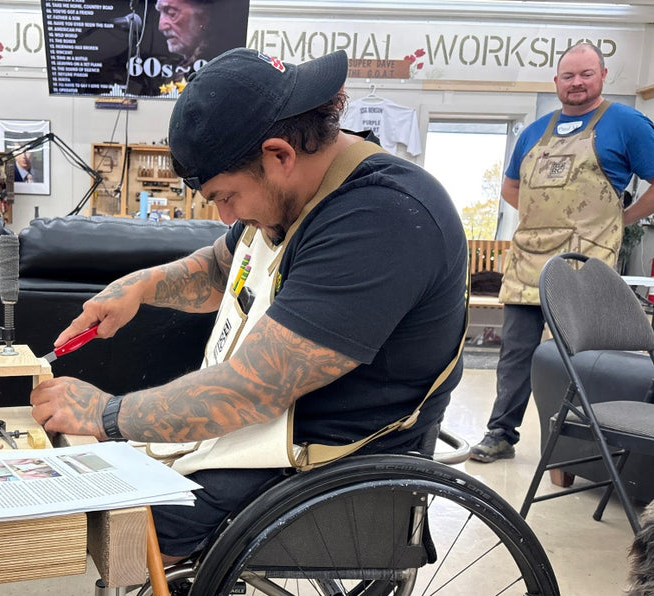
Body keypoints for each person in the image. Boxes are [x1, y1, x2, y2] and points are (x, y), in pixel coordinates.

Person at [30, 48, 468, 561]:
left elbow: (249, 392)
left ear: (279, 155)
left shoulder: (380, 220)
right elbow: (224, 266)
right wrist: (140, 287)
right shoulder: (299, 192)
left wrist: (105, 415)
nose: (223, 216)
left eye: (225, 197)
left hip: (337, 452)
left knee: (131, 510)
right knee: (112, 461)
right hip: (284, 420)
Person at [470, 42, 654, 463]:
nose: (576, 83)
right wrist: (544, 222)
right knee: (516, 354)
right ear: (556, 81)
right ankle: (500, 433)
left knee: (576, 359)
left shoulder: (626, 123)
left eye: (586, 74)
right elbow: (510, 187)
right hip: (527, 263)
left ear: (603, 76)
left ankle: (575, 444)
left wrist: (619, 220)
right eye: (568, 75)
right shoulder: (535, 131)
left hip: (580, 267)